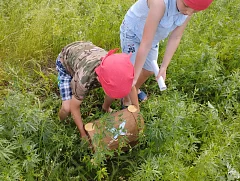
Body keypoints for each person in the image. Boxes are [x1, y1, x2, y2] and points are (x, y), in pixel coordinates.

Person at [120, 0, 213, 106]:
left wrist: (164, 66)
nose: (189, 12)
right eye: (186, 6)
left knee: (149, 70)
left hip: (152, 39)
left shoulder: (188, 9)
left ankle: (134, 89)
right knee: (130, 73)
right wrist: (135, 76)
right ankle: (126, 98)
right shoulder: (159, 3)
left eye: (195, 11)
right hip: (133, 34)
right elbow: (146, 43)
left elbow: (176, 37)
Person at [56, 41, 139, 139]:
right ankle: (59, 123)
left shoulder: (118, 69)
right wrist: (83, 133)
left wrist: (137, 112)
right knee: (67, 108)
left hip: (86, 50)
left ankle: (105, 108)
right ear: (99, 80)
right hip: (65, 62)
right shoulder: (84, 80)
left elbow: (131, 87)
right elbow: (74, 106)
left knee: (112, 90)